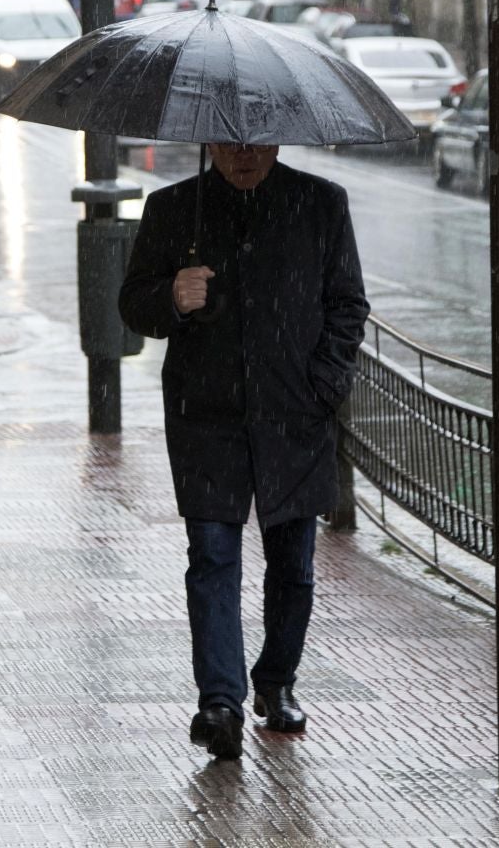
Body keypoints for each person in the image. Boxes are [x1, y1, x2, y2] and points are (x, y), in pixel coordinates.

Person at [119, 142, 369, 762]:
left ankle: (276, 681)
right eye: (230, 142)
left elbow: (347, 305)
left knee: (293, 562)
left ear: (279, 140)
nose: (244, 155)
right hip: (206, 416)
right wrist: (173, 296)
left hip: (294, 415)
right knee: (211, 555)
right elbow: (134, 303)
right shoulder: (176, 207)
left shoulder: (319, 203)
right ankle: (220, 702)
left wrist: (324, 384)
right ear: (209, 141)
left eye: (257, 141)